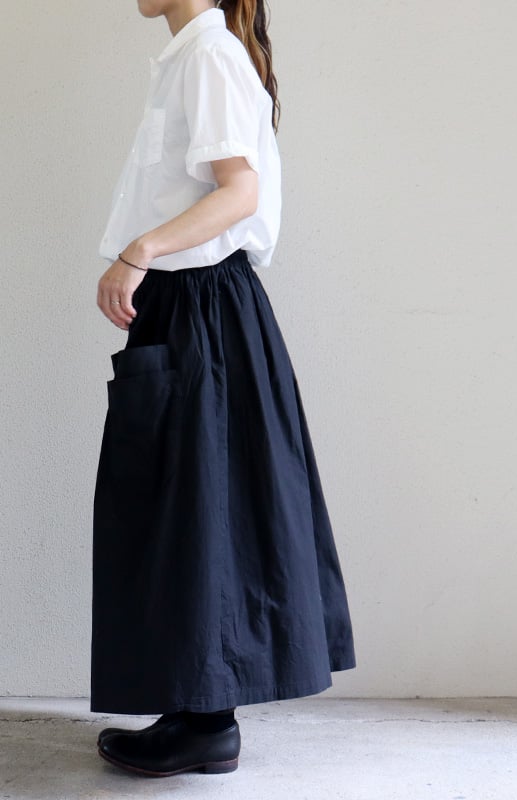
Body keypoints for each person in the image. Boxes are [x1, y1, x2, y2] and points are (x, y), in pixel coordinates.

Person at [91, 0, 356, 777]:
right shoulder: (195, 56)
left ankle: (207, 722)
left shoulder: (209, 56)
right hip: (195, 307)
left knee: (200, 507)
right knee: (189, 510)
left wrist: (138, 251)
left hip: (201, 307)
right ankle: (198, 713)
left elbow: (238, 192)